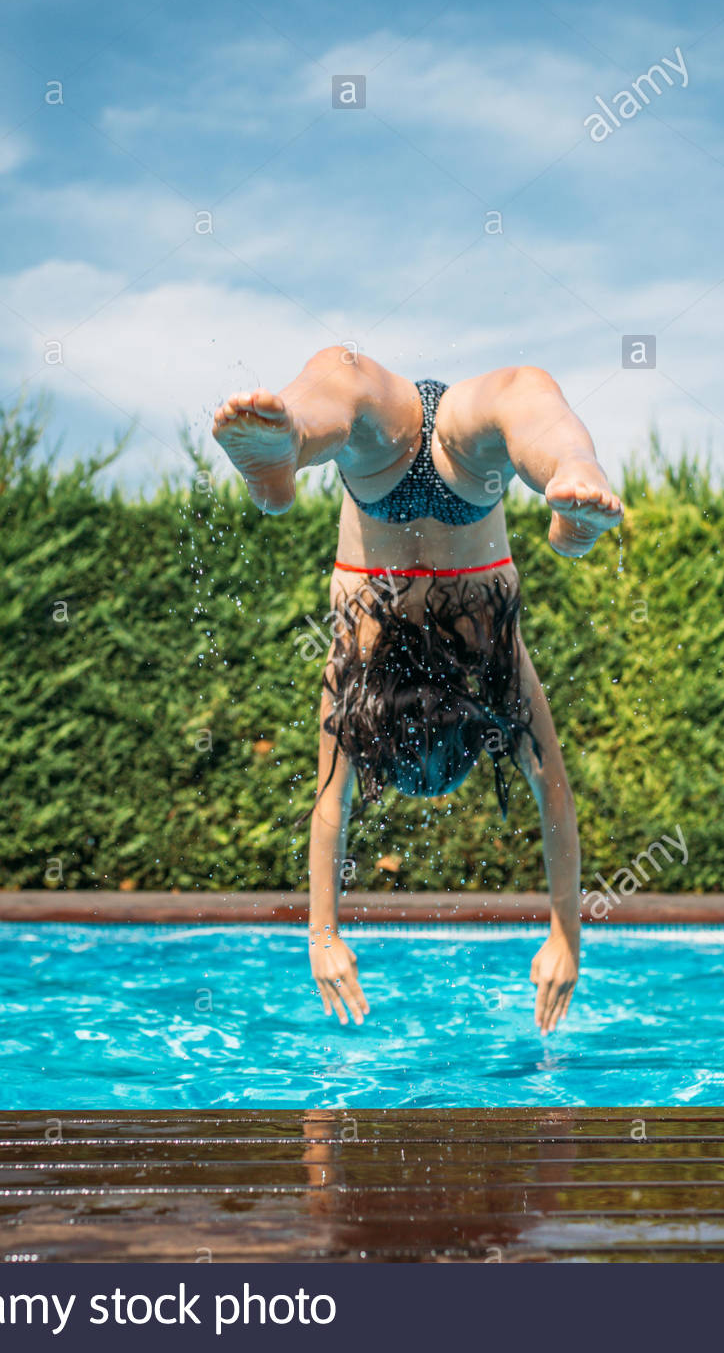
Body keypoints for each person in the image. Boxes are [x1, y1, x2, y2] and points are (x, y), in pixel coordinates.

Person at [213, 348, 623, 1035]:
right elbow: (329, 802)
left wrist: (565, 938)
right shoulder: (358, 660)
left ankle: (567, 476)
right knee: (349, 384)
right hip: (382, 477)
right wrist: (321, 935)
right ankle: (288, 451)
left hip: (471, 487)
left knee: (517, 394)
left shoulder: (488, 652)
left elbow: (553, 789)